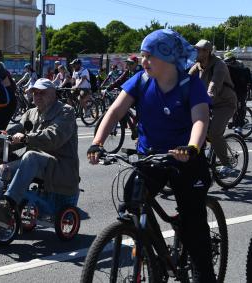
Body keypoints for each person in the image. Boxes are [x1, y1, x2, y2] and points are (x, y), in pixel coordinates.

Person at [88, 29, 216, 283]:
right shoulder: (141, 80)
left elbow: (200, 119)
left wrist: (191, 148)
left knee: (195, 230)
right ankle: (153, 253)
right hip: (151, 158)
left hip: (185, 159)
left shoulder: (190, 85)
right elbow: (114, 112)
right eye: (143, 55)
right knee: (132, 199)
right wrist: (97, 142)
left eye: (149, 56)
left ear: (167, 58)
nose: (143, 61)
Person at [0, 78, 79, 225]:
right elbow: (14, 134)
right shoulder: (31, 113)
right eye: (35, 93)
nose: (37, 96)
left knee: (31, 155)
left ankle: (8, 204)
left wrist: (27, 138)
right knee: (0, 170)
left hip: (60, 166)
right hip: (33, 165)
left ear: (53, 94)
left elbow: (54, 137)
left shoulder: (66, 111)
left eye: (42, 93)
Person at [189, 39, 237, 175]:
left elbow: (214, 85)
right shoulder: (197, 65)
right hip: (207, 103)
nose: (195, 52)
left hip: (225, 104)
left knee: (214, 133)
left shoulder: (219, 65)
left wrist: (207, 97)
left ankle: (227, 163)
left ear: (207, 52)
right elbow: (185, 81)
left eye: (198, 50)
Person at [223, 50, 252, 134]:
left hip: (242, 90)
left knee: (240, 106)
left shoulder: (240, 66)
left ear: (233, 60)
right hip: (233, 89)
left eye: (228, 61)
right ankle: (234, 121)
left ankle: (240, 125)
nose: (227, 63)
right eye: (226, 61)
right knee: (231, 106)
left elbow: (247, 79)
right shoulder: (227, 68)